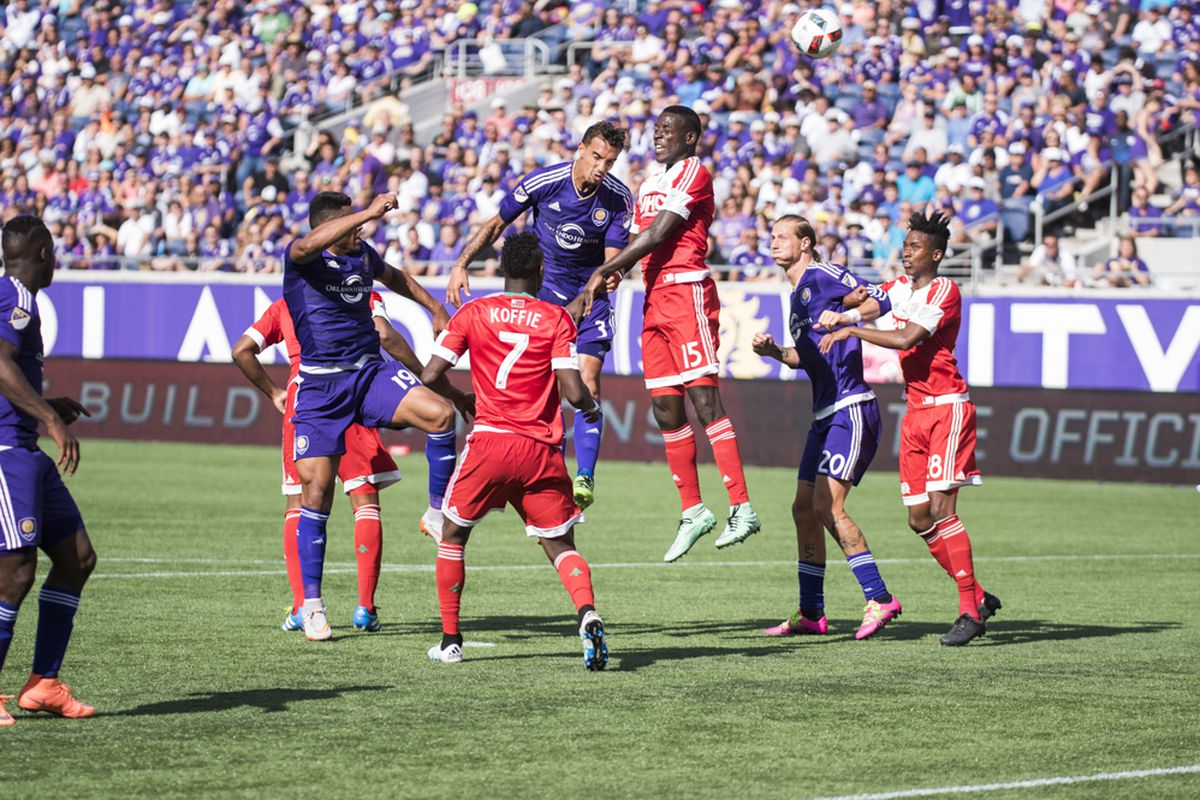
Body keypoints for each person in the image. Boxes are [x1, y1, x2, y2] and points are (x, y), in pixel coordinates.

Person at [580, 105, 760, 562]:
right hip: (655, 297)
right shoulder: (650, 184)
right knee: (664, 408)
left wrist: (607, 268)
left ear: (691, 137)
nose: (658, 137)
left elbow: (660, 232)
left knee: (704, 400)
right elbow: (638, 237)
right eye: (656, 130)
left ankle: (741, 505)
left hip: (687, 293)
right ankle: (693, 510)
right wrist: (618, 271)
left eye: (668, 131)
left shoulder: (694, 173)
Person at [232, 294, 474, 633]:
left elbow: (242, 349)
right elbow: (385, 334)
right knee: (364, 495)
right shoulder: (359, 290)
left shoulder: (286, 304)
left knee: (300, 501)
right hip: (357, 383)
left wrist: (274, 392)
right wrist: (429, 380)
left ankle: (305, 606)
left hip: (306, 397)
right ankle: (365, 607)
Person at [422, 232, 607, 670]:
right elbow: (572, 389)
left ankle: (450, 641)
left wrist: (462, 398)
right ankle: (587, 613)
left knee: (453, 536)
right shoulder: (555, 319)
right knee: (560, 543)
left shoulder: (474, 312)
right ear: (541, 272)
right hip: (540, 448)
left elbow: (430, 374)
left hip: (489, 442)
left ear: (503, 270)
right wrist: (591, 408)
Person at [816, 210, 1001, 646]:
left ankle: (968, 611)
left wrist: (852, 331)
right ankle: (976, 594)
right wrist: (841, 313)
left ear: (936, 254)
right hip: (916, 411)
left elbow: (905, 339)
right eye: (905, 245)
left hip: (948, 409)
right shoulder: (901, 287)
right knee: (918, 519)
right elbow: (872, 302)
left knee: (941, 511)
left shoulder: (945, 291)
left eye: (916, 247)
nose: (907, 252)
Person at [282, 191, 457, 642]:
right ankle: (314, 606)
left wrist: (434, 307)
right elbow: (308, 243)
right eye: (350, 224)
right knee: (316, 492)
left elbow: (395, 277)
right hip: (320, 389)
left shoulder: (363, 253)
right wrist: (367, 211)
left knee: (441, 415)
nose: (359, 230)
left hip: (368, 373)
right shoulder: (303, 259)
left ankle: (437, 512)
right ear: (330, 226)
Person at [445, 121, 633, 512]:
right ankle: (549, 467)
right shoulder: (544, 181)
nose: (601, 167)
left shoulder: (618, 199)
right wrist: (461, 263)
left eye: (610, 162)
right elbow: (497, 223)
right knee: (544, 389)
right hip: (543, 295)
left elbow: (612, 262)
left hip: (589, 295)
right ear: (581, 149)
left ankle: (584, 477)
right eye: (597, 157)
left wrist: (610, 279)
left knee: (587, 381)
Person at [752, 216, 903, 640]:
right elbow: (806, 357)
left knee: (827, 507)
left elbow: (879, 299)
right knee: (803, 508)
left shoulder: (822, 274)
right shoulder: (797, 294)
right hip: (823, 414)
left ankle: (880, 597)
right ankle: (812, 612)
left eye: (782, 236)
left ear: (804, 243)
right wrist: (776, 352)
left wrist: (847, 315)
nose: (773, 242)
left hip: (850, 407)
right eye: (772, 236)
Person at [0, 215, 97, 725]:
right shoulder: (13, 296)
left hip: (24, 451)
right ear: (42, 252)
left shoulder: (20, 299)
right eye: (54, 250)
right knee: (13, 573)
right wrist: (49, 420)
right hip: (5, 453)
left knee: (77, 557)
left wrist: (46, 404)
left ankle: (43, 684)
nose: (56, 259)